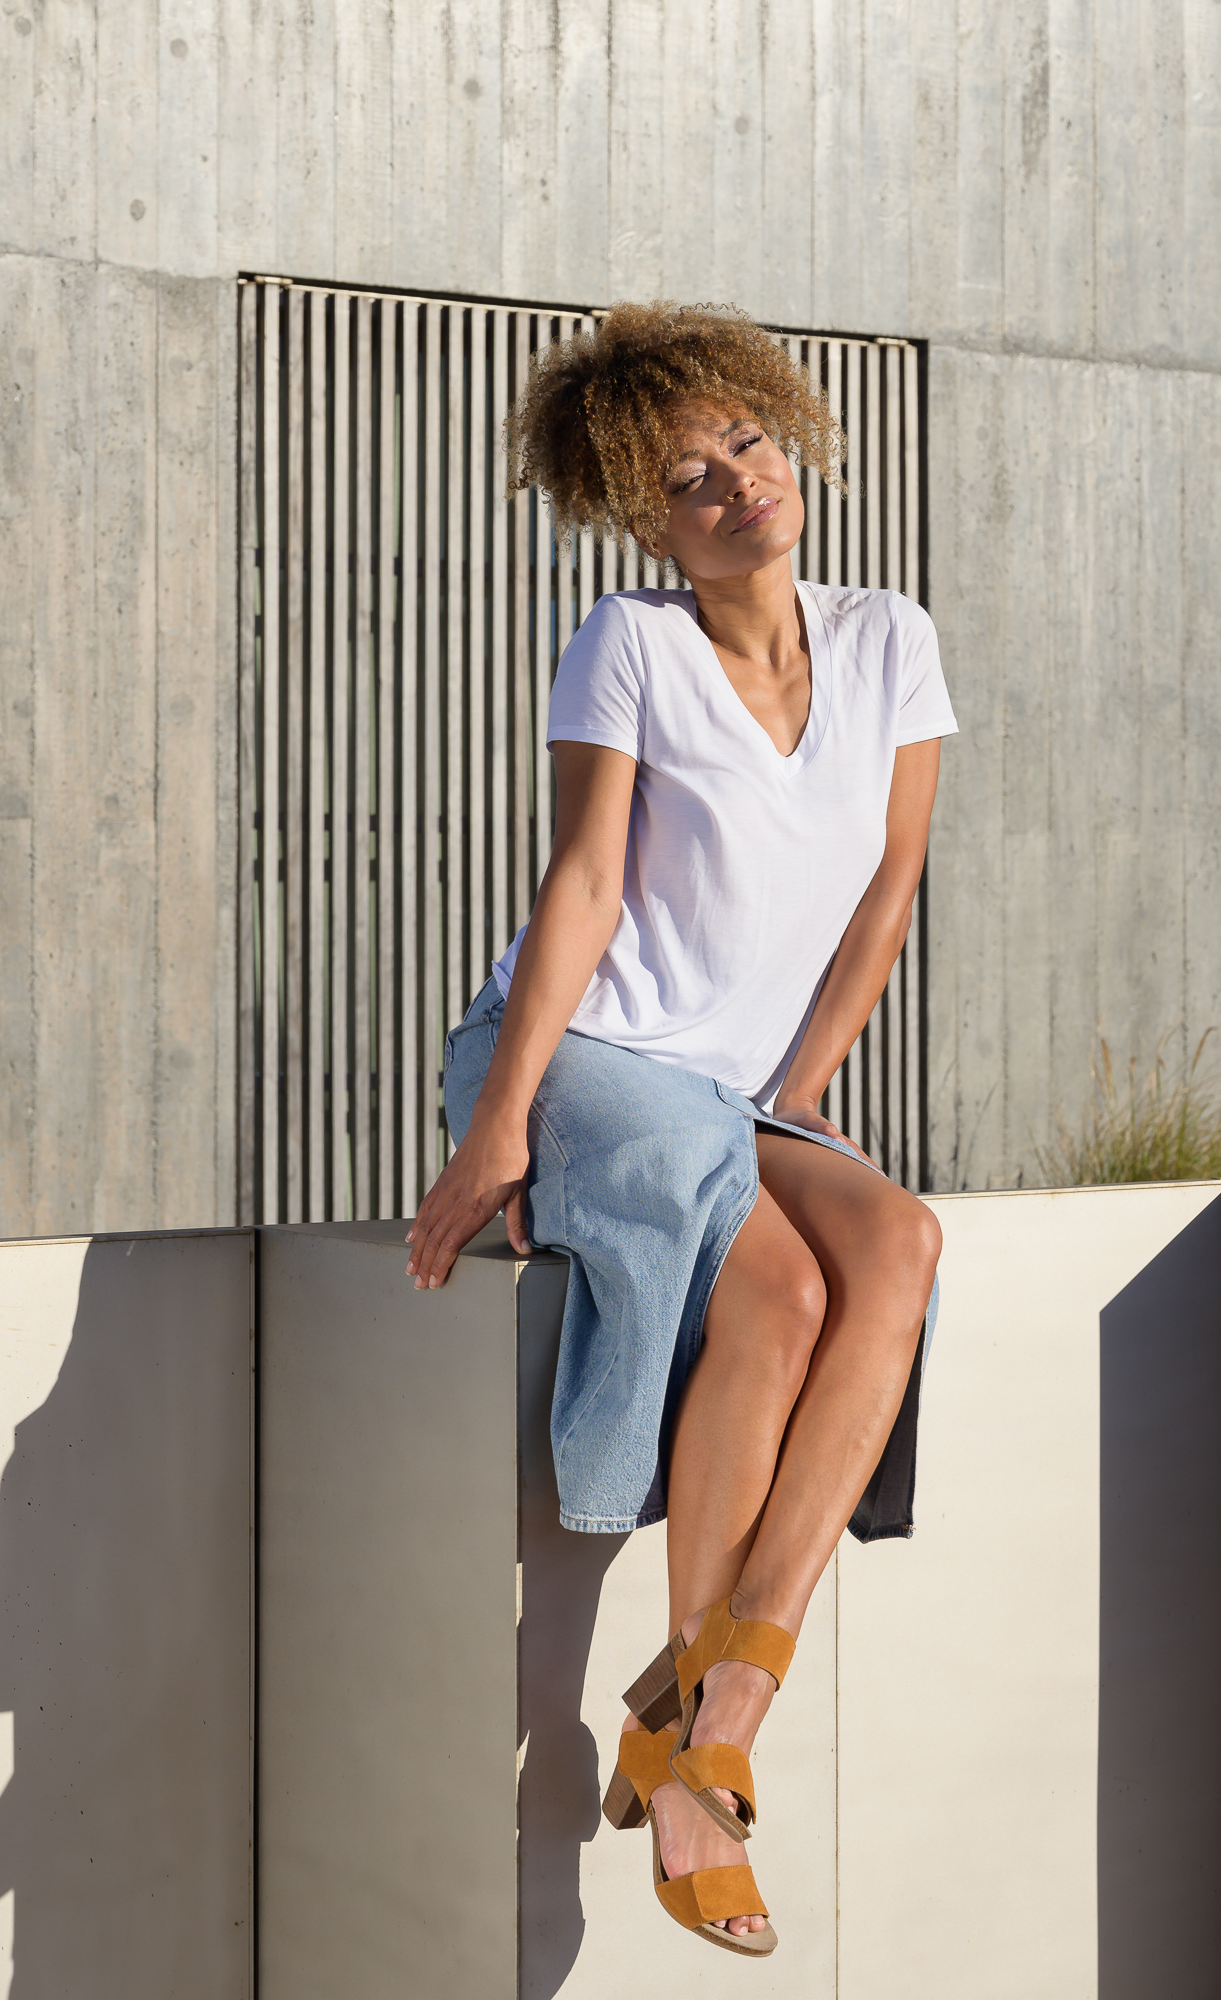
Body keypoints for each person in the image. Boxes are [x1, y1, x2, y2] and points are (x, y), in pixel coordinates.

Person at [406, 302, 956, 1957]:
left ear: (795, 441)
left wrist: (807, 1089)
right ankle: (703, 1761)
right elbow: (580, 887)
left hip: (735, 1089)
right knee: (782, 1297)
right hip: (585, 1056)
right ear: (644, 519)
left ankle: (714, 1696)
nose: (736, 483)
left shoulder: (888, 638)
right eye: (690, 475)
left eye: (752, 444)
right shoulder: (628, 642)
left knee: (901, 1244)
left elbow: (887, 894)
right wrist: (497, 1124)